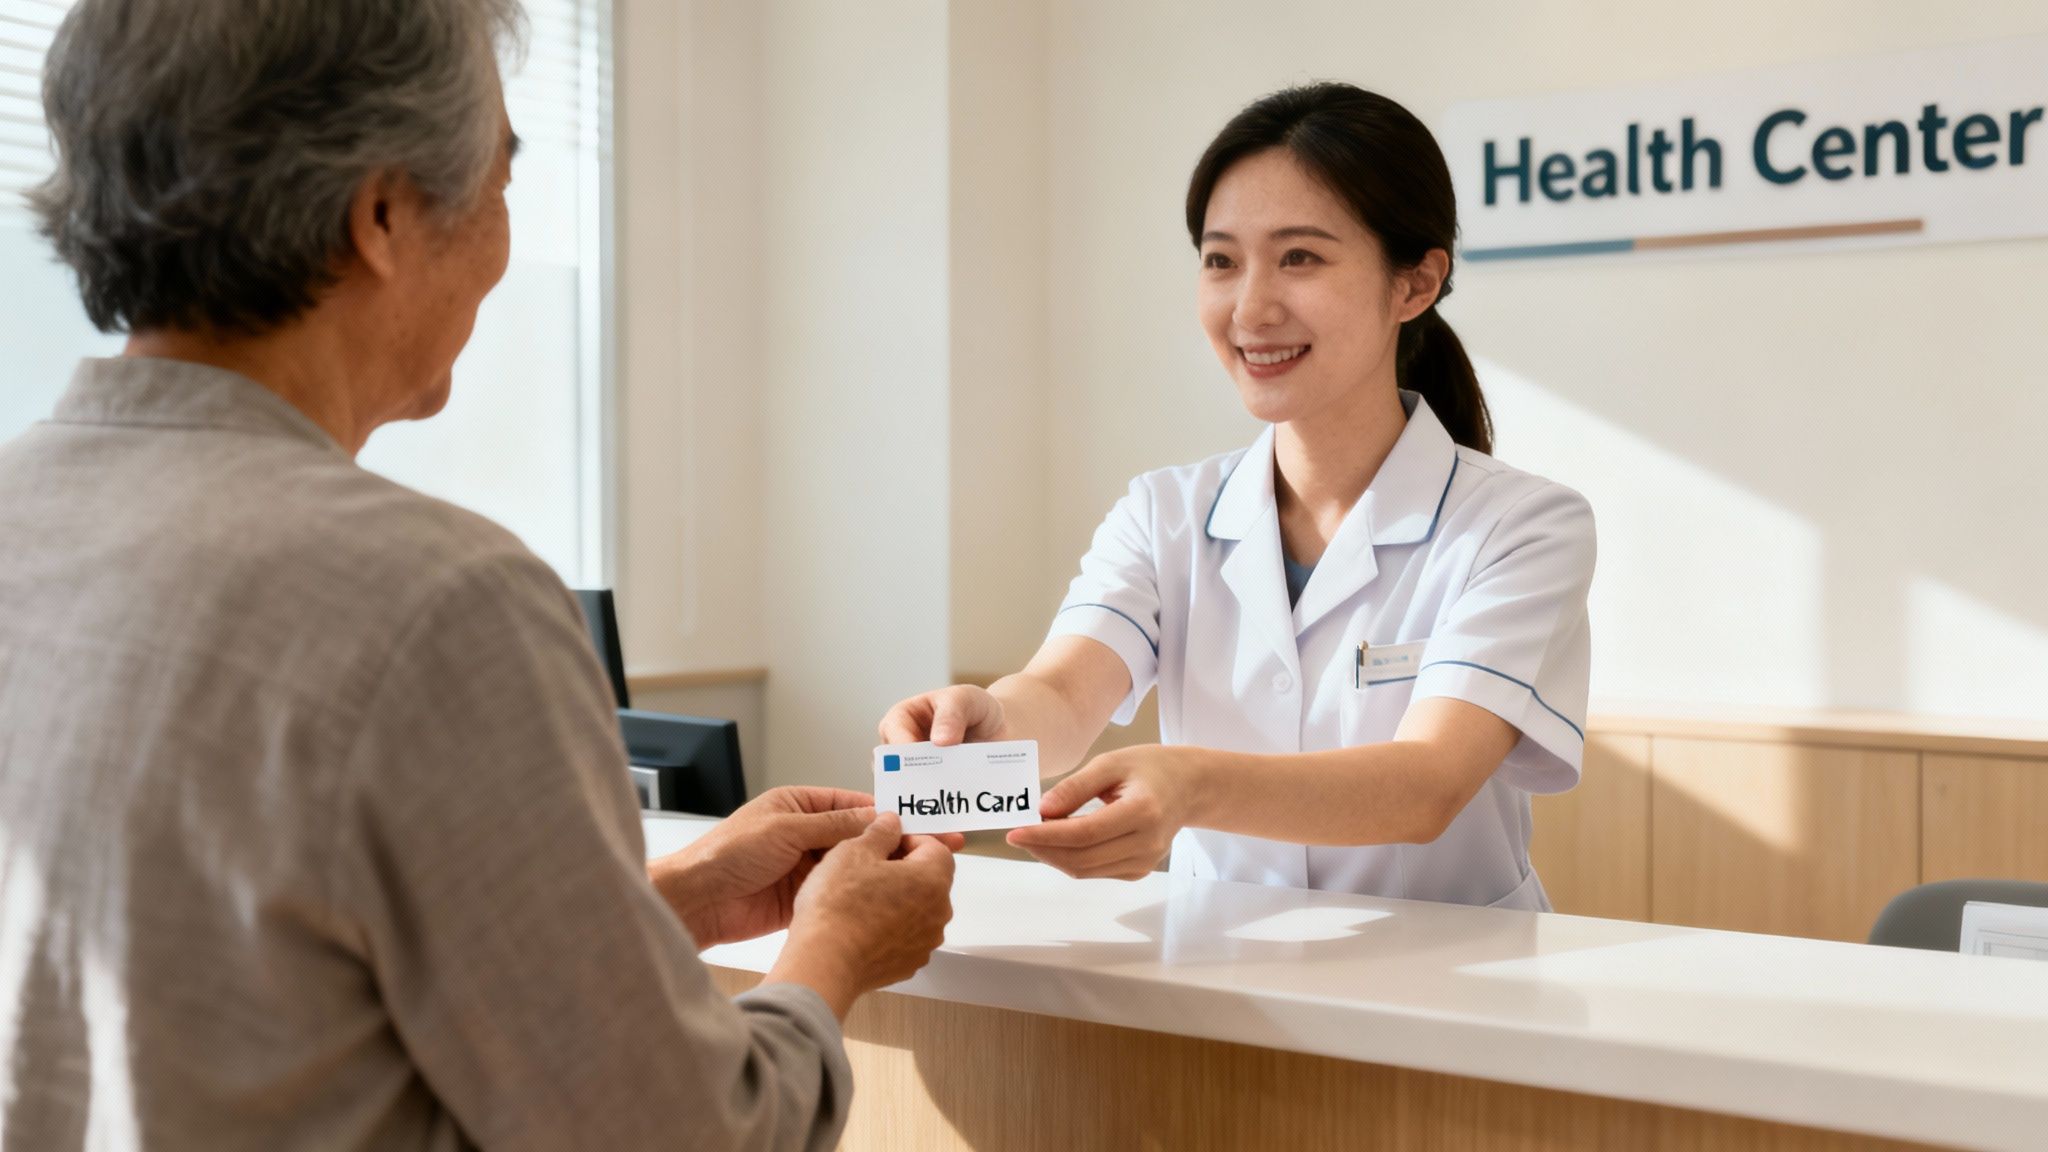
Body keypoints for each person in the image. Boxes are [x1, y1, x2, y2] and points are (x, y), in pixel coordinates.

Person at [0, 2, 955, 1149]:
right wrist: (832, 953)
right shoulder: (438, 601)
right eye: (501, 177)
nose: (507, 231)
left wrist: (677, 895)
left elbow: (255, 995)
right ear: (385, 213)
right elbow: (682, 1135)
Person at [882, 83, 1595, 911]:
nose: (1250, 308)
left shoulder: (1521, 526)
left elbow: (1425, 785)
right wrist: (986, 725)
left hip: (1452, 994)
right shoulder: (1164, 514)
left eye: (1301, 257)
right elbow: (1066, 694)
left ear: (1414, 284)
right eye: (1221, 260)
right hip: (1216, 985)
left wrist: (1190, 784)